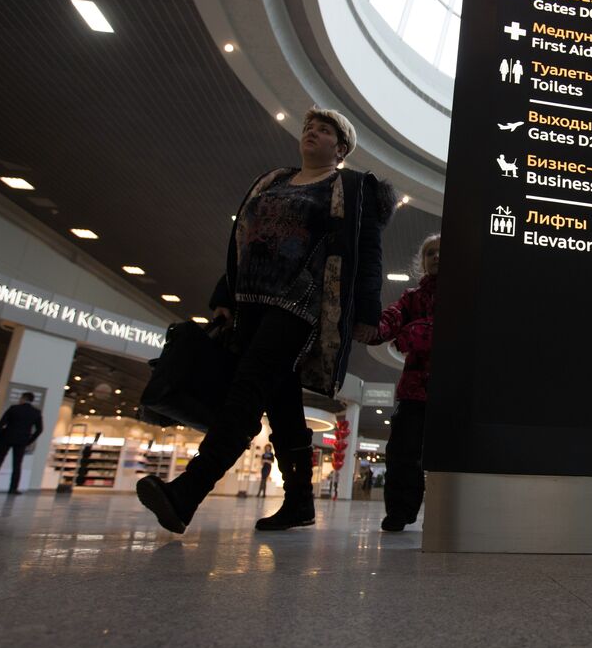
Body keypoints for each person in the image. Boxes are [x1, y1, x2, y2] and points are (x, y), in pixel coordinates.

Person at [137, 106, 394, 534]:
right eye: (309, 126)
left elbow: (367, 252)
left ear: (341, 148)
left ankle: (188, 492)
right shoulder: (273, 180)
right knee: (282, 403)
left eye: (324, 130)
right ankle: (299, 503)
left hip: (299, 303)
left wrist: (367, 312)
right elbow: (246, 240)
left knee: (246, 391)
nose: (312, 132)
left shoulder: (350, 186)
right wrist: (224, 296)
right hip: (250, 303)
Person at [368, 234, 439, 532]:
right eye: (430, 253)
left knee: (445, 456)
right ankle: (399, 511)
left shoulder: (465, 293)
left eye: (441, 252)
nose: (436, 257)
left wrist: (411, 333)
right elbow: (391, 319)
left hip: (452, 391)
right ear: (422, 261)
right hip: (413, 391)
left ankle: (444, 514)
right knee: (402, 451)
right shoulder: (411, 298)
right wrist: (372, 328)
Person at [0, 391, 44, 494]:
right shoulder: (36, 412)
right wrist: (29, 440)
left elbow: (0, 424)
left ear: (23, 398)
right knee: (17, 465)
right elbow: (39, 429)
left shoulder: (14, 408)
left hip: (6, 438)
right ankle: (13, 488)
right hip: (22, 440)